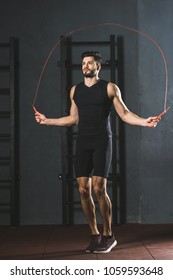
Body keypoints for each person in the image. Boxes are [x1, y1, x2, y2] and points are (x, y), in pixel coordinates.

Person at [35, 51, 159, 254]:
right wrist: (46, 120)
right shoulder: (75, 90)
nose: (85, 66)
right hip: (83, 142)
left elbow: (125, 114)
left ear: (98, 67)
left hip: (102, 141)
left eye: (90, 63)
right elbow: (73, 118)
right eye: (83, 63)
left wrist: (144, 122)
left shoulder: (110, 88)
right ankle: (94, 235)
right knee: (83, 189)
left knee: (99, 188)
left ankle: (109, 236)